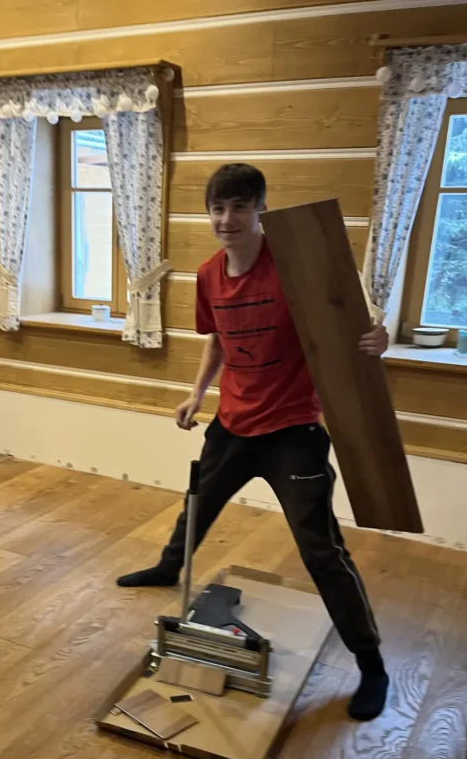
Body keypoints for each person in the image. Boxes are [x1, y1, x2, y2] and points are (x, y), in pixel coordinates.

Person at [117, 163, 390, 721]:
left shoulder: (296, 269)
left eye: (240, 206)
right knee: (198, 505)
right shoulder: (208, 275)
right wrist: (197, 394)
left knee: (321, 550)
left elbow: (347, 327)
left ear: (261, 209)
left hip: (294, 430)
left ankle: (371, 664)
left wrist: (375, 339)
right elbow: (218, 341)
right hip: (233, 423)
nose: (227, 219)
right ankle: (169, 568)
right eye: (218, 208)